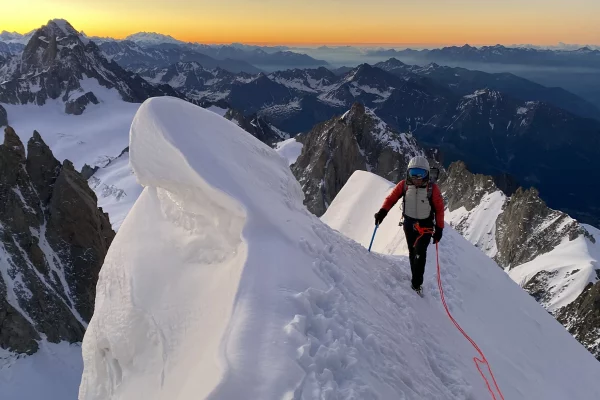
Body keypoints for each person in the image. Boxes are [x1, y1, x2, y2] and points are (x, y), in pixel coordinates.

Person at [373, 156, 444, 295]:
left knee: (419, 252)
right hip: (409, 224)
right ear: (408, 173)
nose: (417, 177)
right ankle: (415, 278)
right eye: (413, 173)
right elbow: (391, 198)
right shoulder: (403, 185)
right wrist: (382, 212)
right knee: (413, 253)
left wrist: (439, 229)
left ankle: (417, 284)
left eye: (421, 173)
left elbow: (439, 209)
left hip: (426, 227)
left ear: (427, 174)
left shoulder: (432, 189)